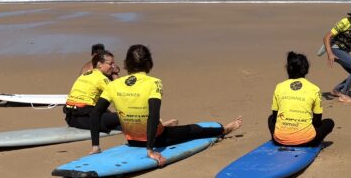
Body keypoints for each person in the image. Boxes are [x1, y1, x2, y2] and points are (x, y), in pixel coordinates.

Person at [89, 44, 242, 166]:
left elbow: (96, 113)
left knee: (166, 126)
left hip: (132, 140)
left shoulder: (114, 85)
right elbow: (153, 115)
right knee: (194, 129)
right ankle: (224, 129)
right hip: (157, 139)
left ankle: (166, 126)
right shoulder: (153, 83)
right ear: (149, 63)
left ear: (126, 64)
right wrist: (150, 150)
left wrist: (95, 146)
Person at [268, 51, 335, 146]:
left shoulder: (279, 87)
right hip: (308, 141)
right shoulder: (314, 89)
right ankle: (304, 138)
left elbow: (275, 116)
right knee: (329, 122)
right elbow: (317, 121)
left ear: (288, 69)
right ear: (306, 69)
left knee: (270, 118)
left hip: (279, 139)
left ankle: (283, 137)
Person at [64, 51, 121, 132]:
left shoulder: (85, 74)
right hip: (86, 119)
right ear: (99, 64)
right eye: (110, 64)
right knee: (126, 117)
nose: (113, 66)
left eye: (113, 64)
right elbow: (120, 94)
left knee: (107, 113)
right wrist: (114, 73)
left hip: (71, 119)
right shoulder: (101, 78)